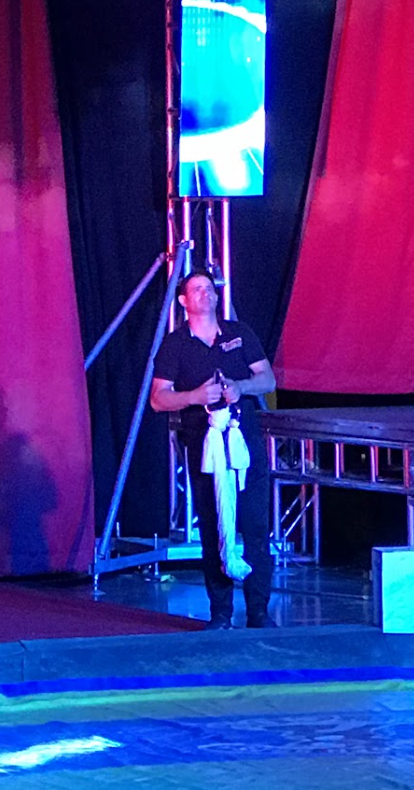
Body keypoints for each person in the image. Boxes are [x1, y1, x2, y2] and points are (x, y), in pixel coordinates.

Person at [150, 265, 277, 629]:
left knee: (255, 525)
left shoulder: (238, 333)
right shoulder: (175, 344)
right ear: (183, 301)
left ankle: (259, 612)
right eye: (197, 289)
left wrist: (240, 387)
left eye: (209, 288)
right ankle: (220, 612)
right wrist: (194, 396)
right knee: (214, 525)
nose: (205, 294)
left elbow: (267, 378)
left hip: (244, 442)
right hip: (204, 446)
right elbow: (158, 399)